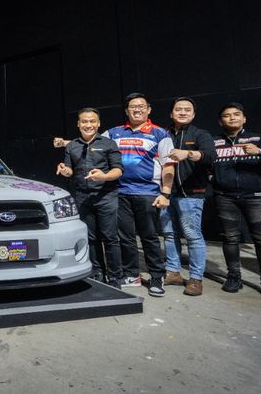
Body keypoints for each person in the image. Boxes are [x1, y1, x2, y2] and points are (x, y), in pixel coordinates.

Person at [212, 103, 261, 300]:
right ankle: (234, 277)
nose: (232, 118)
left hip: (256, 196)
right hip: (225, 196)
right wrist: (214, 179)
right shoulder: (214, 142)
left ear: (244, 118)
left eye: (236, 114)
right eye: (227, 115)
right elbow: (205, 167)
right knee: (230, 238)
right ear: (220, 121)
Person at [104, 93, 175, 296]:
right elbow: (94, 147)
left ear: (149, 109)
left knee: (149, 237)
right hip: (119, 192)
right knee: (125, 238)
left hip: (148, 193)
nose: (137, 109)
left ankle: (156, 276)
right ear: (126, 111)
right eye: (133, 106)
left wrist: (165, 193)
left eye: (141, 106)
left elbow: (169, 165)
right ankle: (131, 274)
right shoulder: (113, 133)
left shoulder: (160, 134)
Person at [56, 108, 123, 288]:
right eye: (84, 121)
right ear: (78, 124)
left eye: (92, 121)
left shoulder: (109, 144)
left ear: (98, 123)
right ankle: (97, 272)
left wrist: (104, 176)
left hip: (106, 196)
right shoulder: (72, 146)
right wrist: (64, 170)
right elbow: (70, 170)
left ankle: (115, 277)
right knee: (91, 238)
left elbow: (118, 170)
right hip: (82, 197)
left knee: (110, 238)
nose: (88, 125)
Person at [160, 97, 215, 296]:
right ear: (171, 113)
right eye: (178, 109)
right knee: (169, 234)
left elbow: (211, 155)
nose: (182, 112)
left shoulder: (200, 134)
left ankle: (195, 278)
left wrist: (189, 154)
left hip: (191, 194)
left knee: (192, 236)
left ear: (193, 114)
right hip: (165, 193)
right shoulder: (163, 134)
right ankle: (173, 272)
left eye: (187, 109)